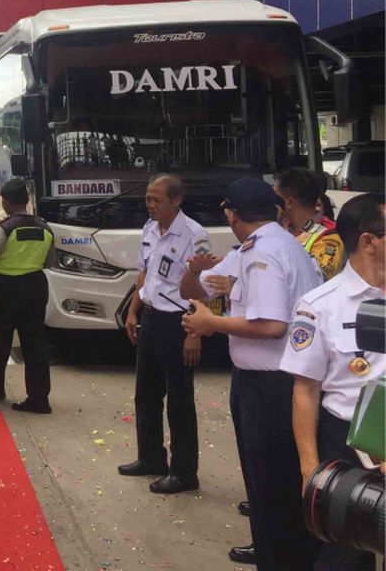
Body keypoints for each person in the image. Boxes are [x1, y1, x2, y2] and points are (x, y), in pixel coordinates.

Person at [180, 178, 323, 571]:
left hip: (272, 385)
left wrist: (213, 323)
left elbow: (272, 325)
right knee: (267, 479)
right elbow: (194, 291)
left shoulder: (265, 254)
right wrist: (196, 274)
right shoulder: (264, 246)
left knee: (270, 480)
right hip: (266, 382)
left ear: (231, 213)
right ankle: (273, 548)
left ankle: (278, 556)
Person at [280, 193, 384, 571]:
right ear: (368, 241)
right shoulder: (319, 305)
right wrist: (311, 468)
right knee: (344, 553)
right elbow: (305, 391)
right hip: (347, 444)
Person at [118, 175, 209, 494]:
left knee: (180, 401)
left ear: (176, 200)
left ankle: (184, 472)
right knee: (146, 393)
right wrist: (133, 310)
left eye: (157, 200)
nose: (150, 205)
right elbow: (145, 273)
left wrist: (193, 333)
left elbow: (201, 288)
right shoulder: (149, 229)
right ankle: (151, 457)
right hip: (152, 318)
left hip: (178, 322)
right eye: (147, 198)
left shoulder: (194, 235)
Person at [0, 178, 55, 414]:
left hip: (4, 291)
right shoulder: (44, 227)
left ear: (7, 201)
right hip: (35, 288)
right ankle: (39, 399)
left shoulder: (5, 227)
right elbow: (50, 261)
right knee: (35, 344)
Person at [275, 167, 345, 281]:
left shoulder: (328, 239)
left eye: (276, 198)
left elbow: (317, 281)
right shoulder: (278, 229)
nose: (272, 202)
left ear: (289, 202)